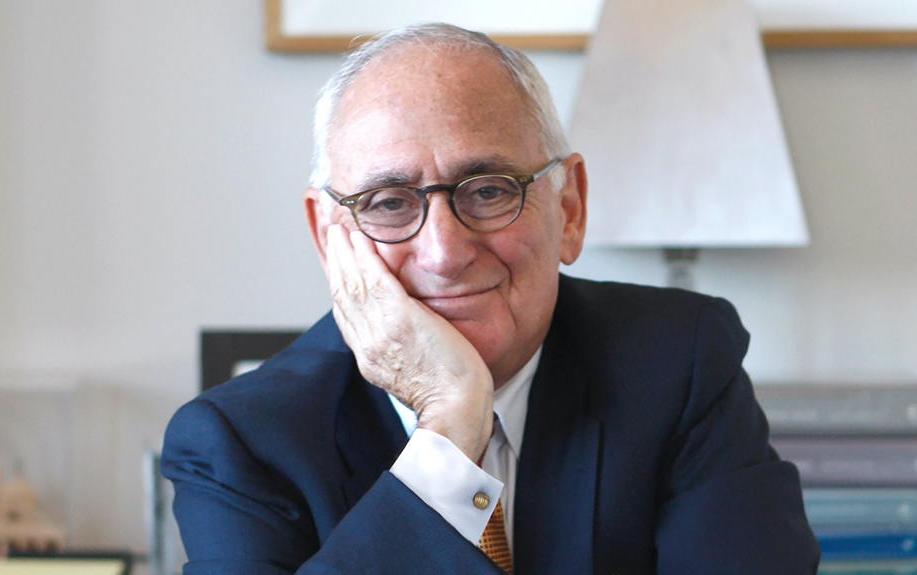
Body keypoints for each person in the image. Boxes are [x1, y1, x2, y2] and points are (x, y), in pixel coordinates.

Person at [161, 23, 820, 575]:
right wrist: (449, 428)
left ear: (569, 207)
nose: (444, 252)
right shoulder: (239, 441)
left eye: (488, 189)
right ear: (327, 236)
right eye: (389, 203)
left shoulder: (680, 361)